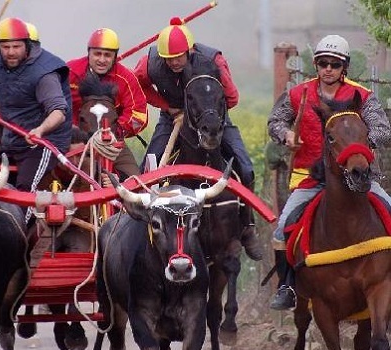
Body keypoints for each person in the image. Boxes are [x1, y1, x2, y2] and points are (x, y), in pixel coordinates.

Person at [267, 34, 391, 310]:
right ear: (316, 65)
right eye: (323, 63)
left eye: (335, 64)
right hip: (309, 177)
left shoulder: (362, 97)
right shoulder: (297, 95)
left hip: (357, 176)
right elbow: (275, 122)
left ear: (344, 67)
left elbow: (382, 130)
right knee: (280, 231)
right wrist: (287, 135)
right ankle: (287, 286)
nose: (328, 69)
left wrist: (355, 143)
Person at [134, 17, 262, 260]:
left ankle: (247, 227)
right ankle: (143, 230)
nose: (173, 63)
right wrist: (168, 107)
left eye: (178, 57)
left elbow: (232, 98)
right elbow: (136, 84)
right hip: (172, 118)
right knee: (147, 169)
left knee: (246, 169)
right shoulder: (149, 63)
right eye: (168, 58)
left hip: (212, 119)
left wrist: (207, 114)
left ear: (190, 50)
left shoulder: (213, 61)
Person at [0, 17, 72, 194]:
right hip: (13, 139)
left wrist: (40, 130)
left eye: (16, 47)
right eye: (6, 47)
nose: (11, 52)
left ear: (27, 45)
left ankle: (22, 221)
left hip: (44, 143)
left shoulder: (44, 74)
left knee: (24, 191)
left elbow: (58, 113)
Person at [67, 27, 147, 178]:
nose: (102, 60)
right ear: (88, 53)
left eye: (107, 55)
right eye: (97, 54)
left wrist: (116, 131)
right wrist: (72, 133)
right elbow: (59, 106)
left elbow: (139, 115)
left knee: (135, 181)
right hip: (75, 141)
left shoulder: (126, 78)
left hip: (113, 142)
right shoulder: (70, 72)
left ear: (115, 57)